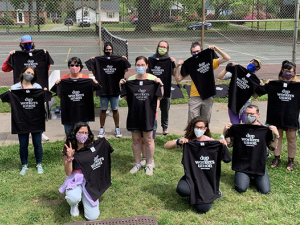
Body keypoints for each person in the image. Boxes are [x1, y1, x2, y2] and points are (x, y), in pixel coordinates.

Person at [170, 116, 231, 213]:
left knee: (201, 209)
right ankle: (195, 191)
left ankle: (214, 190)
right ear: (193, 127)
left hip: (208, 178)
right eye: (196, 127)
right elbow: (167, 145)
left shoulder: (212, 143)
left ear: (205, 129)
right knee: (182, 190)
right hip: (192, 175)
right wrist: (178, 142)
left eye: (201, 127)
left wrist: (223, 146)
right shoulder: (188, 142)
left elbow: (227, 159)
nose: (198, 129)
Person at [2, 34, 54, 142]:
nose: (27, 45)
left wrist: (44, 55)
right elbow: (4, 69)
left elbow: (46, 67)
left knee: (40, 109)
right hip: (22, 87)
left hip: (37, 87)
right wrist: (10, 57)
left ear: (33, 43)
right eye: (25, 44)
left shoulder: (41, 54)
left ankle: (40, 131)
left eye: (29, 43)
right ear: (21, 45)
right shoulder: (16, 55)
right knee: (24, 108)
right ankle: (25, 129)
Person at [59, 122, 114, 220]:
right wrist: (70, 157)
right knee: (73, 198)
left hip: (90, 180)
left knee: (92, 217)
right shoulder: (68, 149)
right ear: (75, 133)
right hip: (76, 179)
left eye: (86, 133)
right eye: (80, 132)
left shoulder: (91, 145)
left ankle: (86, 198)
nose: (83, 135)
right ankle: (74, 204)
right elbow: (68, 172)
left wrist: (103, 143)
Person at [119, 56, 163, 176]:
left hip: (148, 115)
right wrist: (121, 85)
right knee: (136, 139)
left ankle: (149, 164)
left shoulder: (153, 80)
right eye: (138, 65)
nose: (140, 67)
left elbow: (159, 96)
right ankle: (137, 163)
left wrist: (161, 84)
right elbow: (127, 98)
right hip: (134, 115)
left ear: (147, 66)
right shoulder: (131, 80)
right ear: (135, 66)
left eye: (142, 65)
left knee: (149, 140)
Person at [223, 105, 279, 194]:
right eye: (247, 114)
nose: (249, 116)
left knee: (265, 191)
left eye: (252, 114)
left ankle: (253, 177)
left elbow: (272, 147)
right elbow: (230, 144)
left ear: (258, 115)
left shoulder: (264, 129)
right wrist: (225, 131)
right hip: (242, 165)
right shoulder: (239, 128)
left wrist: (276, 135)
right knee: (241, 188)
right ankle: (247, 176)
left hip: (258, 165)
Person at [174, 42, 230, 123]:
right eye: (194, 52)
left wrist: (216, 49)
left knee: (205, 122)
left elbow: (227, 58)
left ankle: (204, 136)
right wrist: (177, 67)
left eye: (198, 51)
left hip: (208, 95)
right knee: (192, 123)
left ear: (202, 51)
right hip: (194, 96)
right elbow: (178, 79)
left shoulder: (209, 61)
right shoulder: (190, 64)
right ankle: (192, 136)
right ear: (191, 53)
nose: (196, 53)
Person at [85, 42, 131, 138]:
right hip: (103, 89)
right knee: (103, 109)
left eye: (110, 50)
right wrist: (94, 61)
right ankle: (102, 128)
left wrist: (123, 60)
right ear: (104, 51)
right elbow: (94, 72)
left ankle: (117, 128)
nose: (108, 51)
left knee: (115, 109)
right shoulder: (99, 60)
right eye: (107, 50)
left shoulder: (118, 60)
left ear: (113, 50)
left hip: (115, 88)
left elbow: (124, 70)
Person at [10, 66, 45, 175]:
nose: (29, 74)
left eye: (32, 73)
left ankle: (39, 164)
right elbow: (12, 105)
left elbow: (42, 104)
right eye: (27, 72)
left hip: (36, 120)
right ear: (23, 72)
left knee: (37, 143)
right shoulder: (15, 88)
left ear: (34, 76)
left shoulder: (37, 87)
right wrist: (10, 96)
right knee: (23, 144)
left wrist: (43, 93)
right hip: (21, 121)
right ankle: (24, 165)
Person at [54, 57, 100, 136]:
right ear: (69, 66)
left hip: (83, 113)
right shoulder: (63, 79)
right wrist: (58, 84)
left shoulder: (86, 79)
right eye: (72, 65)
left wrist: (93, 84)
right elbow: (60, 96)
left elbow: (90, 95)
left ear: (80, 66)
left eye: (76, 65)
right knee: (69, 136)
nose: (74, 67)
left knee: (83, 137)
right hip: (69, 113)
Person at [267, 61, 298, 171]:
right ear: (282, 71)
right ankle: (276, 158)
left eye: (290, 71)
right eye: (285, 71)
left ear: (294, 72)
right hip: (276, 116)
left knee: (291, 139)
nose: (288, 73)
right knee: (277, 137)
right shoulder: (274, 85)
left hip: (291, 116)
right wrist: (265, 85)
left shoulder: (298, 87)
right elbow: (258, 92)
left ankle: (291, 160)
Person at [217, 59, 262, 124]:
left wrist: (260, 87)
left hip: (246, 106)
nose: (253, 65)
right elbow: (220, 77)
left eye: (256, 65)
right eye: (253, 62)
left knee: (246, 126)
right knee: (235, 126)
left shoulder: (255, 80)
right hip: (233, 103)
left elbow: (255, 95)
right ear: (249, 62)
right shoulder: (238, 70)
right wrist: (226, 69)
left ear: (257, 70)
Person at [148, 40, 176, 135]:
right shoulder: (151, 59)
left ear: (167, 49)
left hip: (166, 89)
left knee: (165, 110)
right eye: (161, 46)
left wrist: (175, 64)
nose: (162, 48)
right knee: (152, 109)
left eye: (164, 47)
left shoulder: (169, 59)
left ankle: (165, 128)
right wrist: (147, 62)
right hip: (153, 89)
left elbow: (175, 74)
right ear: (157, 47)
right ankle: (151, 126)